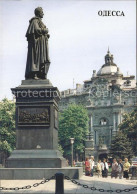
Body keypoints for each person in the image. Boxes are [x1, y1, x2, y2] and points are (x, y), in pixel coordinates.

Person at [25, 7, 50, 79]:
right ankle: (34, 74)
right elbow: (36, 30)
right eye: (42, 12)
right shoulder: (35, 21)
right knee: (36, 59)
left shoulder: (39, 21)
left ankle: (41, 74)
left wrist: (46, 35)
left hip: (41, 45)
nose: (43, 14)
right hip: (36, 45)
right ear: (38, 13)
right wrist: (44, 30)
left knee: (43, 59)